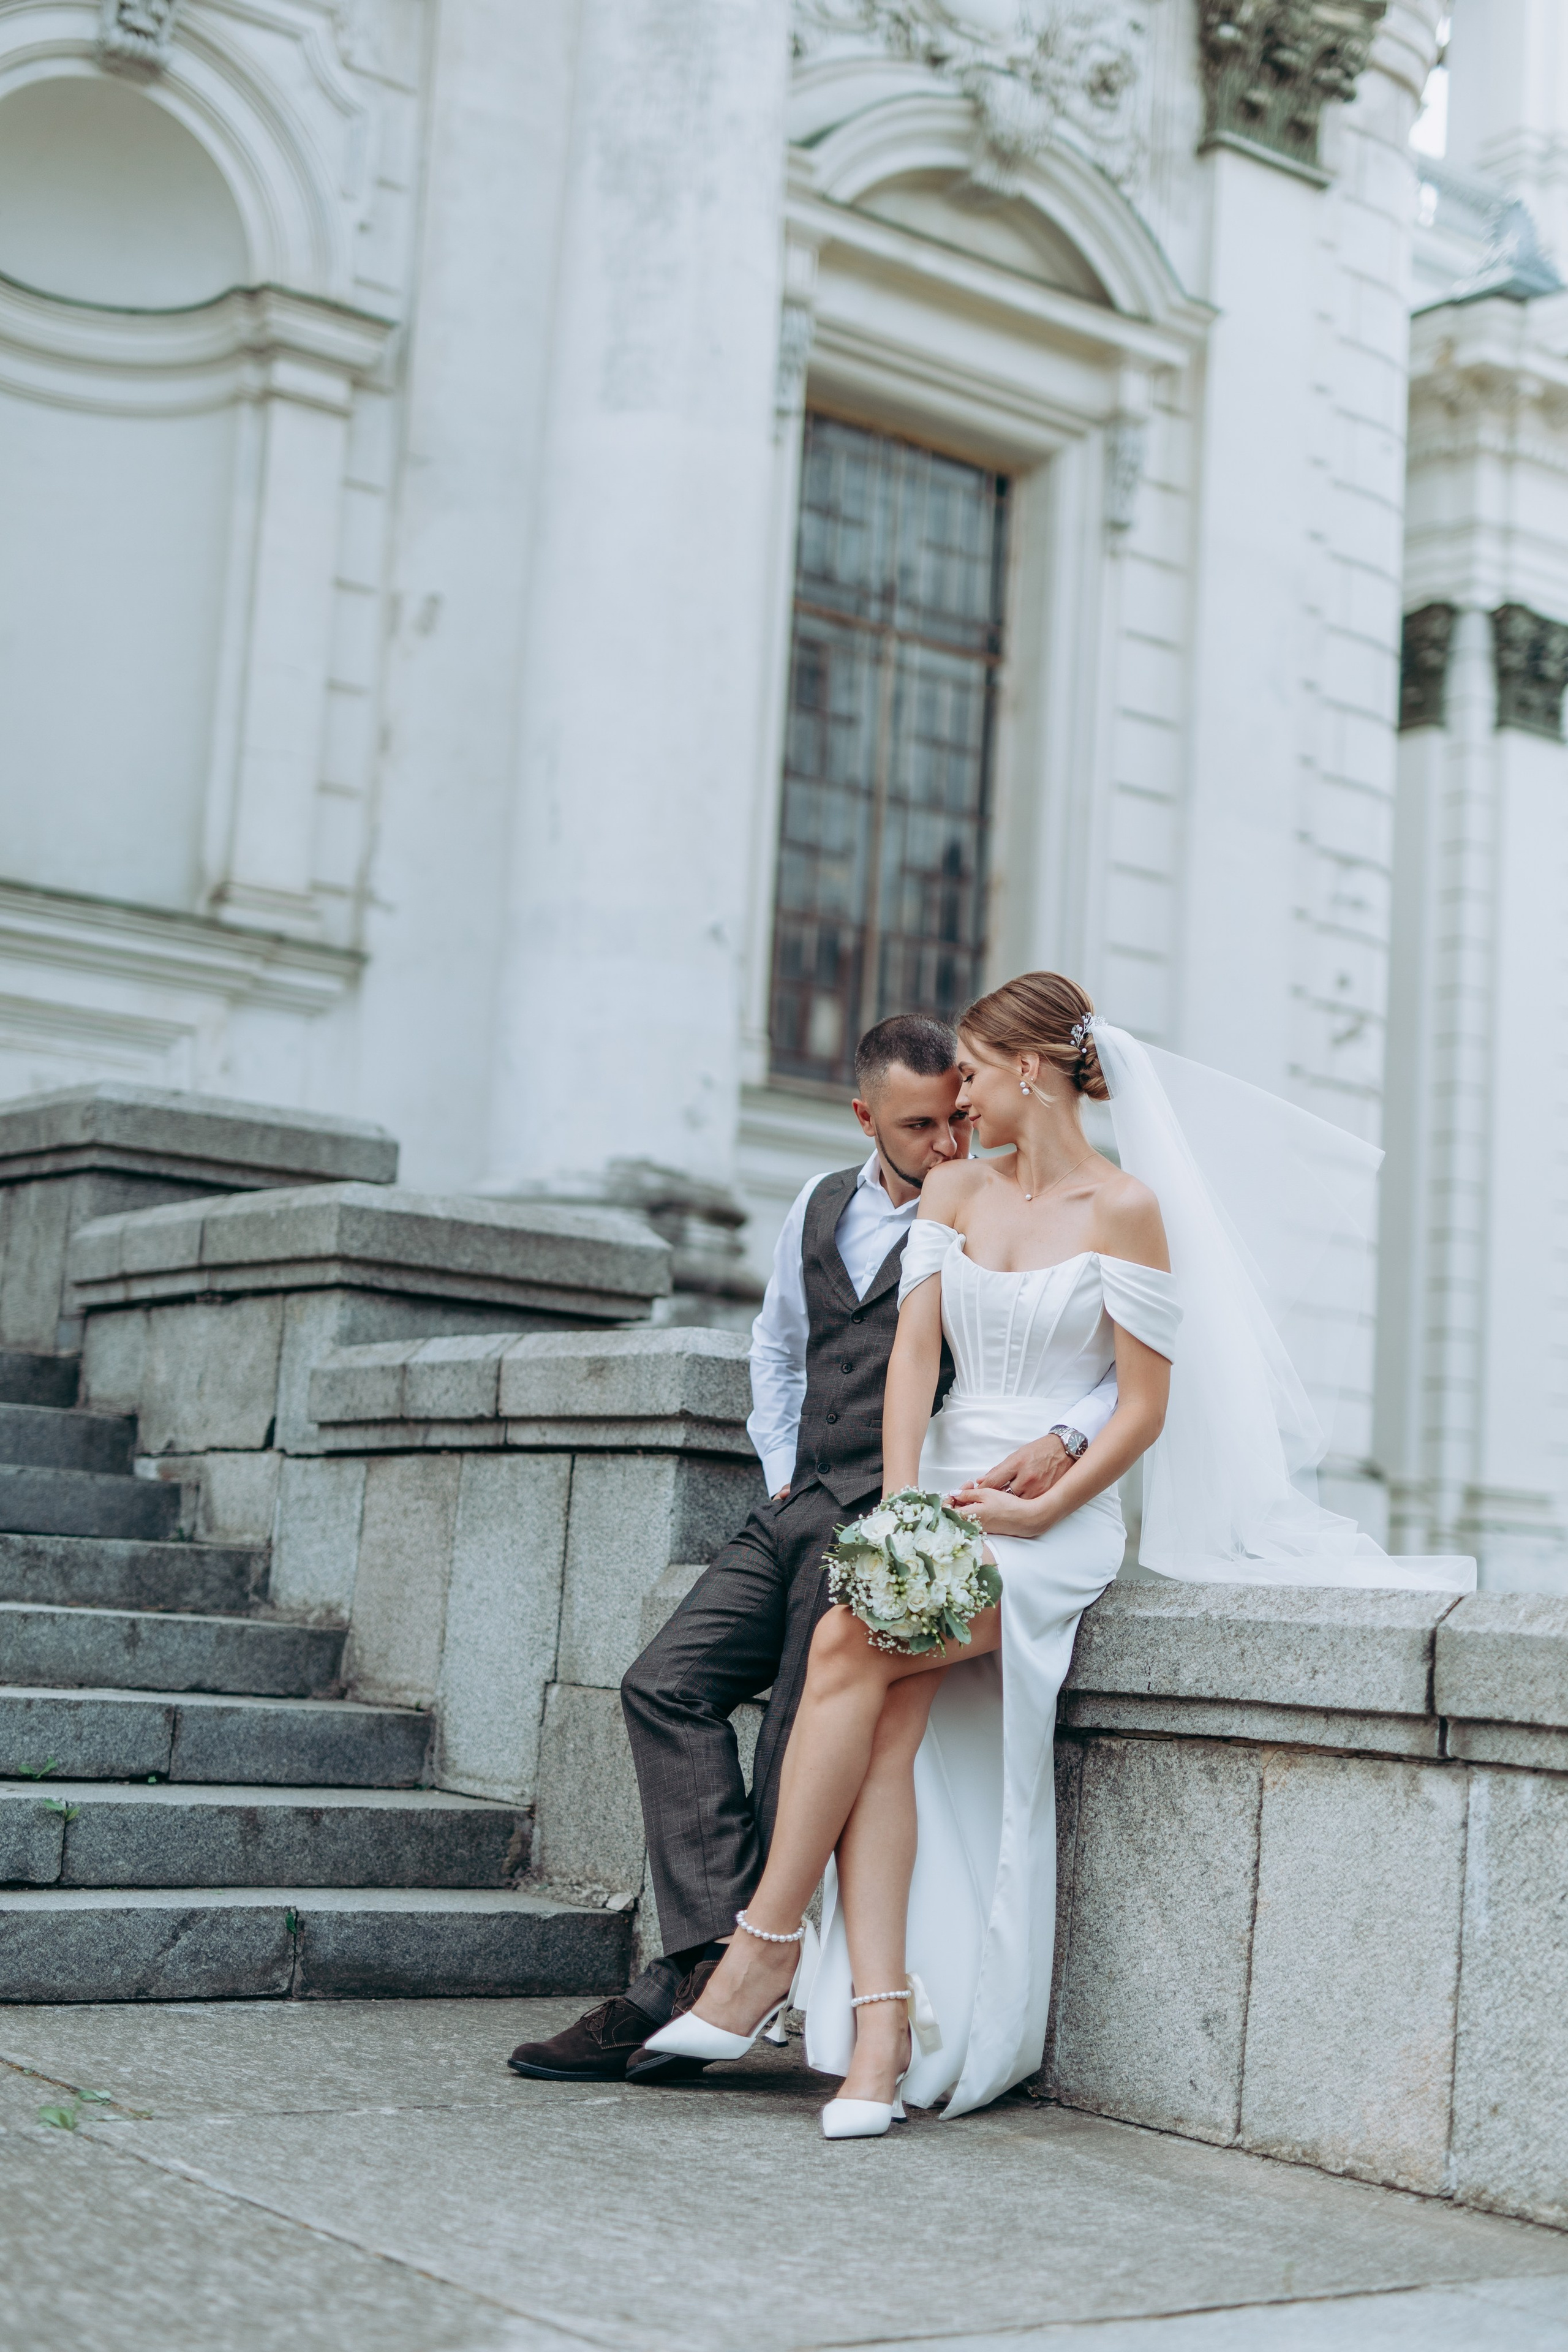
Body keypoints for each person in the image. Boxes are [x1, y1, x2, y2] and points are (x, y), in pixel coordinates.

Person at [635, 972, 1472, 2133]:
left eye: (971, 1073)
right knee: (877, 1710)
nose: (959, 1101)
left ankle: (761, 1958)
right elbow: (912, 1368)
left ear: (1029, 1072)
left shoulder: (1126, 1209)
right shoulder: (960, 1191)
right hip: (938, 1496)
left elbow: (1140, 1407)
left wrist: (1047, 1501)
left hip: (1050, 1523)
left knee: (846, 1640)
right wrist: (901, 1511)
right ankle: (876, 2034)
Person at [507, 1008, 1118, 2084]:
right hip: (798, 1498)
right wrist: (781, 1466)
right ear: (866, 1116)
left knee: (806, 1729)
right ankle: (716, 1956)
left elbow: (1088, 1345)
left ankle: (707, 1982)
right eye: (923, 1125)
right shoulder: (820, 1202)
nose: (950, 1141)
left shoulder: (985, 1197)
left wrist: (1056, 1442)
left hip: (914, 1512)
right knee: (663, 1683)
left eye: (957, 1115)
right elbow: (778, 1344)